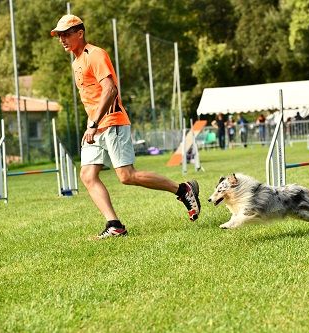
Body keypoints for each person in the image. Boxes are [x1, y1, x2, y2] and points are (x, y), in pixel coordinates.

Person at [51, 15, 201, 239]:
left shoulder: (95, 54)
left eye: (66, 34)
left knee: (127, 176)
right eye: (59, 35)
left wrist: (93, 123)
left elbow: (110, 90)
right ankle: (115, 225)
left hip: (112, 122)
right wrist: (90, 125)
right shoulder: (76, 62)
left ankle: (183, 190)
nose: (62, 39)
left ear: (79, 33)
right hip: (95, 127)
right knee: (88, 175)